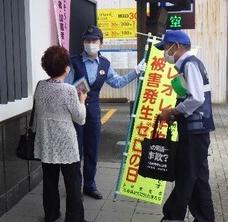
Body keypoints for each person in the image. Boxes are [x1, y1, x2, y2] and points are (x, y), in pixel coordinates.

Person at [65, 25, 146, 200]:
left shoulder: (105, 64)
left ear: (101, 43)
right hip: (75, 112)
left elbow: (117, 82)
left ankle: (89, 185)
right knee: (75, 152)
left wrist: (136, 72)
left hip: (93, 112)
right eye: (87, 41)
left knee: (92, 150)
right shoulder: (74, 62)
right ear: (83, 43)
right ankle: (74, 188)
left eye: (94, 40)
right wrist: (77, 91)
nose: (91, 44)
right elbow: (66, 87)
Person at [155, 30, 215, 222]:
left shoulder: (189, 65)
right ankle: (205, 218)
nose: (165, 51)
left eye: (166, 47)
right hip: (196, 130)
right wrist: (177, 115)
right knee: (198, 179)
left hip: (195, 132)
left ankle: (172, 217)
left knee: (186, 177)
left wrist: (172, 112)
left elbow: (196, 98)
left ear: (177, 46)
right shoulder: (189, 65)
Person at [33, 45, 87, 222]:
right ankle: (73, 218)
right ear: (66, 67)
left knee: (49, 183)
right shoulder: (69, 90)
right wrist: (82, 100)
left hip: (46, 141)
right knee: (72, 183)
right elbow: (80, 118)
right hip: (65, 144)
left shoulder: (40, 86)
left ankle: (51, 214)